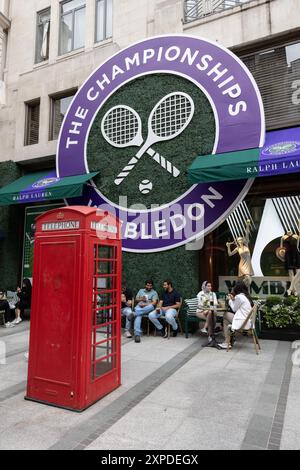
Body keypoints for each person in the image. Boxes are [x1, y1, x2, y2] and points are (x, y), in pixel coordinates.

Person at [218, 281, 254, 350]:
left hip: (243, 322)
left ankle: (227, 342)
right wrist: (233, 299)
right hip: (248, 321)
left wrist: (229, 300)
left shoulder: (239, 296)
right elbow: (238, 306)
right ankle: (229, 340)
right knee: (226, 320)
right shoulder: (245, 296)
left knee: (225, 315)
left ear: (237, 289)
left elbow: (234, 309)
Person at [226, 219, 254, 288]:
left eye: (241, 239)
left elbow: (247, 233)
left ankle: (243, 289)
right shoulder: (237, 248)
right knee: (247, 277)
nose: (240, 241)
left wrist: (247, 225)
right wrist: (228, 247)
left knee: (245, 279)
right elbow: (230, 254)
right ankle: (243, 288)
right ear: (237, 242)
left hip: (248, 263)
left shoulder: (246, 245)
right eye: (238, 240)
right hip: (242, 264)